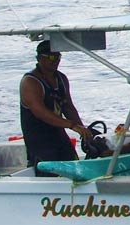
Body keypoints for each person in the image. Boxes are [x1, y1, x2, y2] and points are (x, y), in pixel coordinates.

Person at [19, 40, 92, 175]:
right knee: (49, 172)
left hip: (58, 134)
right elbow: (40, 112)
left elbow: (68, 107)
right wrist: (71, 125)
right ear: (40, 58)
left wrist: (83, 130)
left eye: (58, 57)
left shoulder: (61, 78)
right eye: (52, 57)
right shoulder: (30, 82)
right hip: (39, 140)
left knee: (74, 167)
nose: (56, 61)